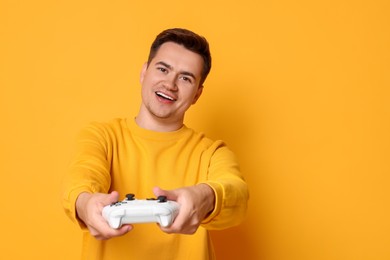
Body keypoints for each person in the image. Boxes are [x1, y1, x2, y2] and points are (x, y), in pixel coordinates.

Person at [62, 28, 249, 260]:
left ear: (197, 94)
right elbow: (81, 179)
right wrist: (86, 203)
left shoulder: (211, 153)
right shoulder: (101, 136)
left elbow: (237, 194)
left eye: (185, 78)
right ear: (144, 72)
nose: (170, 84)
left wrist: (206, 196)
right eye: (163, 69)